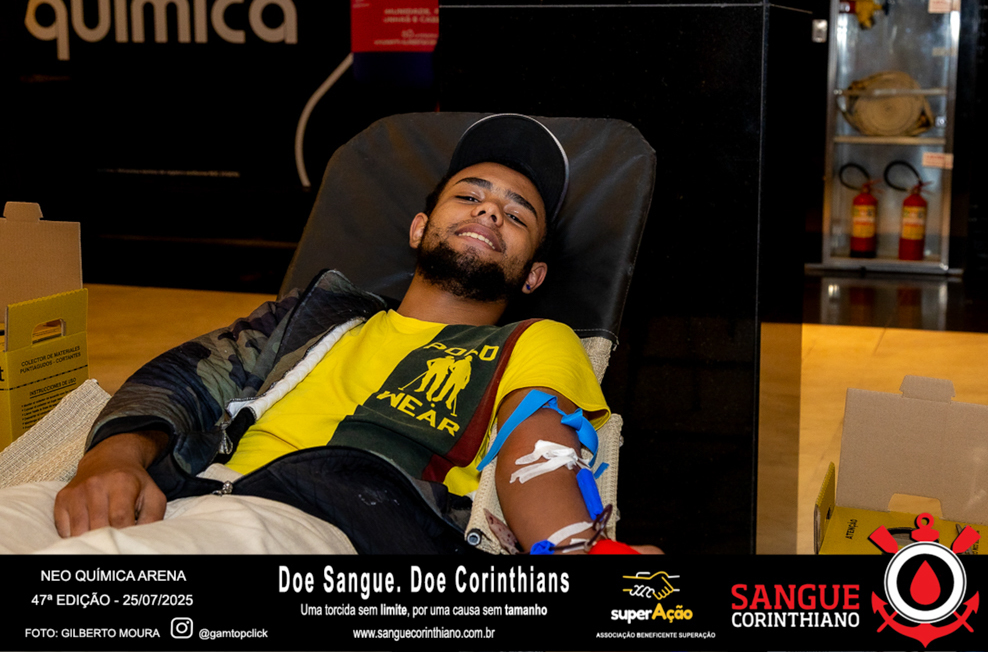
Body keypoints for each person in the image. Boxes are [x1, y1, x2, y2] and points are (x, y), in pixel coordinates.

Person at [0, 114, 655, 555]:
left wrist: (573, 553)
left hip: (322, 525)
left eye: (517, 215)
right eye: (469, 196)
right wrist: (111, 460)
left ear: (534, 274)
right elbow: (186, 378)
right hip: (188, 490)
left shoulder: (531, 341)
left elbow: (538, 446)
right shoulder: (319, 316)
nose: (489, 209)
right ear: (419, 227)